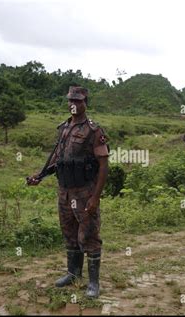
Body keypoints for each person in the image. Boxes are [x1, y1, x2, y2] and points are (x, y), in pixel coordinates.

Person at [28, 86, 109, 298]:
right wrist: (40, 175)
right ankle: (73, 274)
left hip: (84, 192)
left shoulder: (93, 130)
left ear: (85, 103)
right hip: (64, 192)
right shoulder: (63, 128)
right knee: (69, 234)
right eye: (71, 100)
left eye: (78, 100)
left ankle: (93, 283)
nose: (74, 103)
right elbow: (58, 161)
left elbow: (103, 165)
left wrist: (96, 197)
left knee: (89, 235)